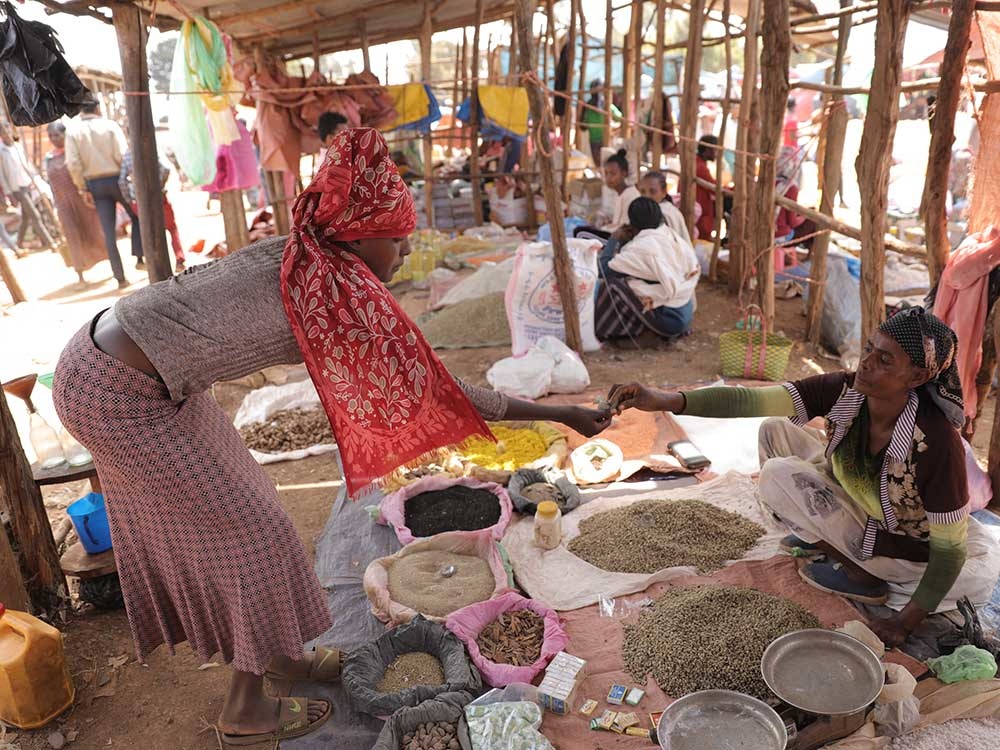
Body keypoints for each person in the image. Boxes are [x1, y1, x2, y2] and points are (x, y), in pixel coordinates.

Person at [52, 128, 610, 746]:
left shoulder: (308, 254)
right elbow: (436, 386)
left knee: (259, 511)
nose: (402, 254)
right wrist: (564, 414)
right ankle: (243, 710)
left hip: (143, 376)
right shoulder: (333, 291)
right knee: (252, 538)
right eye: (396, 241)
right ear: (359, 235)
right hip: (115, 395)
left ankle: (281, 657)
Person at [607, 307, 1000, 647]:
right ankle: (831, 543)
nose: (867, 363)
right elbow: (751, 401)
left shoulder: (934, 443)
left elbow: (949, 552)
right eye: (869, 350)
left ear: (915, 377)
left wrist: (904, 623)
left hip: (902, 545)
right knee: (773, 430)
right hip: (859, 501)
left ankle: (861, 569)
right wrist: (663, 400)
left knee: (778, 475)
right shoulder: (849, 390)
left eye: (885, 360)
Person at [595, 197, 699, 343]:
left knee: (611, 286)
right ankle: (648, 331)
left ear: (633, 224)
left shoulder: (642, 248)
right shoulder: (670, 236)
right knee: (632, 281)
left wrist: (615, 239)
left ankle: (629, 333)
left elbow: (603, 270)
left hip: (669, 320)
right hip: (684, 315)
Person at [65, 101, 143, 286]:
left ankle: (120, 277)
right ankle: (140, 257)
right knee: (136, 216)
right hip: (118, 179)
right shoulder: (110, 126)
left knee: (109, 232)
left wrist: (82, 188)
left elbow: (74, 164)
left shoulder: (73, 131)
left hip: (95, 185)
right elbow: (122, 155)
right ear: (98, 108)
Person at [44, 122, 107, 284]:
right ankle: (80, 274)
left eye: (56, 135)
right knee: (72, 236)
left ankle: (111, 265)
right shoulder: (48, 158)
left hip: (81, 200)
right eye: (50, 136)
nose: (53, 138)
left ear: (65, 135)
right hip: (63, 205)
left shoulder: (74, 153)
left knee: (94, 230)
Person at [119, 151, 185, 272]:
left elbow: (122, 182)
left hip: (139, 200)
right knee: (171, 228)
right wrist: (158, 185)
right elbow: (165, 169)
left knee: (150, 233)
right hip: (159, 197)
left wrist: (130, 200)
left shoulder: (127, 156)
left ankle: (157, 267)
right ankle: (179, 260)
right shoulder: (154, 150)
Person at [0, 128, 56, 253]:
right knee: (34, 214)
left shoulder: (18, 146)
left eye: (8, 132)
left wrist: (34, 179)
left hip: (27, 183)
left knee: (26, 216)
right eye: (3, 133)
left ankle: (19, 242)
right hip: (16, 189)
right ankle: (49, 242)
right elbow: (2, 176)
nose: (7, 134)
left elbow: (26, 164)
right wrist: (9, 194)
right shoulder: (1, 151)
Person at [574, 149, 641, 240]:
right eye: (606, 173)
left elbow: (626, 228)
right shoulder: (621, 193)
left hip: (619, 239)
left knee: (580, 233)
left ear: (624, 174)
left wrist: (603, 228)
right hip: (614, 233)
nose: (608, 178)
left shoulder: (630, 195)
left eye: (613, 174)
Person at [638, 171, 691, 247]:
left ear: (664, 192)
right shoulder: (647, 211)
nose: (647, 196)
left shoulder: (664, 214)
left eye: (652, 191)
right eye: (643, 191)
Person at [579, 79, 621, 166]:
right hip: (605, 139)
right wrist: (614, 127)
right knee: (608, 166)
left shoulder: (587, 107)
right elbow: (621, 119)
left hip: (596, 140)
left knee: (601, 166)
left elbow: (583, 127)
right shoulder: (607, 105)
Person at [695, 135, 719, 240]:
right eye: (716, 150)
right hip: (700, 217)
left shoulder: (698, 163)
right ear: (708, 150)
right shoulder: (700, 167)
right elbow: (715, 188)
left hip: (700, 214)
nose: (717, 154)